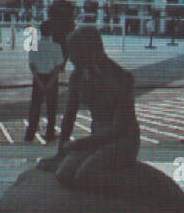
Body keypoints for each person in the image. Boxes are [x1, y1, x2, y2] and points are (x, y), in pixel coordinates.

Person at [36, 25, 140, 195]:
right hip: (96, 139)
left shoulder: (121, 77)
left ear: (93, 50)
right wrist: (61, 150)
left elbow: (120, 128)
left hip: (122, 142)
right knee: (64, 173)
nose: (71, 59)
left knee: (86, 175)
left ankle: (136, 193)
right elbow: (69, 116)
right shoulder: (78, 76)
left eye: (76, 53)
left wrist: (80, 143)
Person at [26, 20, 65, 141]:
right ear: (52, 32)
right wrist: (50, 82)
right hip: (51, 78)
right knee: (51, 108)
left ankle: (30, 133)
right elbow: (58, 67)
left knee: (35, 107)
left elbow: (32, 66)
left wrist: (39, 81)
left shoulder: (34, 45)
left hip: (38, 78)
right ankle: (50, 134)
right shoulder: (57, 47)